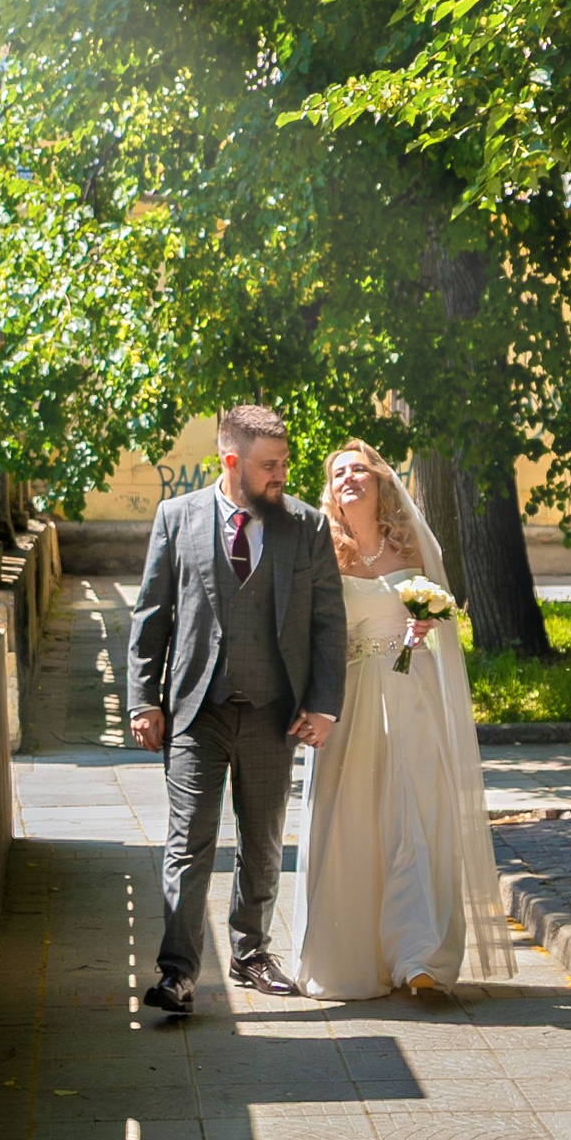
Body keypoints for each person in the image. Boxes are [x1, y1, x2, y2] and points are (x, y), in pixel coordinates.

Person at [126, 402, 347, 1015]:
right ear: (231, 462)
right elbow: (152, 617)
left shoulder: (305, 526)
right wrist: (145, 699)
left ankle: (251, 953)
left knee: (264, 842)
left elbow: (330, 623)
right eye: (269, 465)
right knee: (187, 842)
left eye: (284, 463)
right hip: (198, 709)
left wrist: (324, 705)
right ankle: (178, 974)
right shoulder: (177, 517)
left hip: (276, 712)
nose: (281, 474)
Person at [295, 440, 516, 1002]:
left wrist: (427, 627)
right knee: (356, 822)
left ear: (380, 482)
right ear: (332, 489)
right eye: (339, 472)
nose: (350, 479)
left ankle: (419, 959)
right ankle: (358, 955)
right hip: (351, 701)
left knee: (416, 818)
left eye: (360, 471)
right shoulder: (323, 550)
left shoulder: (411, 543)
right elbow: (310, 633)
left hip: (412, 693)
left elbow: (443, 615)